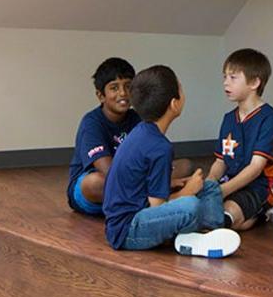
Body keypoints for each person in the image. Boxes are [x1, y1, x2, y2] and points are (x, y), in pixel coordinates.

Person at [103, 64, 239, 257]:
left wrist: (174, 184)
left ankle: (209, 234)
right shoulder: (160, 147)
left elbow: (143, 184)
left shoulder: (143, 131)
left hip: (137, 211)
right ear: (174, 104)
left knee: (209, 186)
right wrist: (187, 191)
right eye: (181, 89)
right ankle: (192, 238)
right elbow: (156, 206)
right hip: (127, 230)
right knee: (190, 205)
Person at [207, 49, 273, 231]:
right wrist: (210, 184)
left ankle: (262, 207)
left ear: (255, 82)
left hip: (259, 185)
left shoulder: (269, 119)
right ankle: (254, 216)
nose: (226, 82)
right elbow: (221, 162)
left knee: (223, 217)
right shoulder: (228, 118)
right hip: (231, 180)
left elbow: (256, 168)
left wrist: (222, 191)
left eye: (233, 77)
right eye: (224, 77)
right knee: (202, 206)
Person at [67, 57, 141, 215]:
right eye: (114, 88)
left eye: (128, 86)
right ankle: (156, 200)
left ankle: (137, 204)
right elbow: (109, 170)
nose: (123, 93)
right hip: (96, 192)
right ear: (101, 96)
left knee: (183, 166)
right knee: (94, 183)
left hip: (129, 182)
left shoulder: (137, 119)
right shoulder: (91, 123)